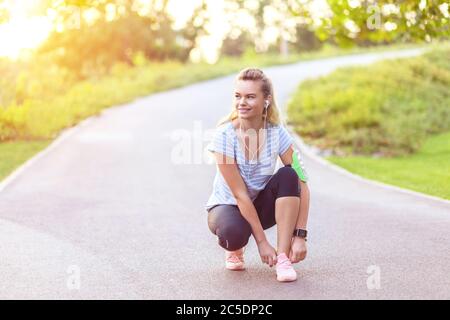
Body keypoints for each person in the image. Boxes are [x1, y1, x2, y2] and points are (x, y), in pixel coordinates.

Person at [205, 67, 311, 282]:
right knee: (234, 233)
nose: (242, 102)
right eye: (238, 96)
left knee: (289, 175)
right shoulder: (224, 136)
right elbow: (239, 194)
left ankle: (283, 258)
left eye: (250, 97)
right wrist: (262, 242)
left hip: (261, 206)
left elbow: (302, 181)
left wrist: (300, 235)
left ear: (266, 99)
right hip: (229, 206)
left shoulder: (277, 132)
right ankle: (235, 249)